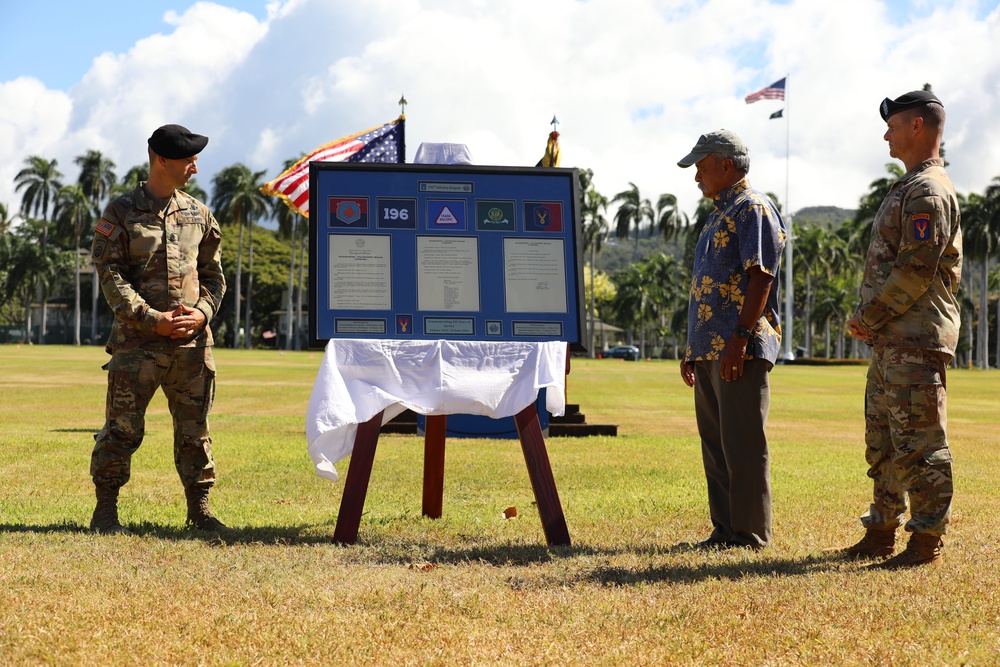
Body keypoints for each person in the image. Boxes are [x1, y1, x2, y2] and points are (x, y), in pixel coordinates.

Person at [835, 91, 961, 568]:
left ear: (917, 127)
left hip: (914, 338)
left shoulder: (928, 191)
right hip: (893, 339)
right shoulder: (909, 186)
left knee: (921, 445)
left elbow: (915, 269)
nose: (886, 132)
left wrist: (869, 317)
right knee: (885, 442)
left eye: (893, 124)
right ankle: (881, 531)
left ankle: (925, 541)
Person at [89, 124, 227, 534]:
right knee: (121, 430)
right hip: (137, 345)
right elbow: (111, 276)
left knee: (195, 431)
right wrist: (153, 319)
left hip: (191, 348)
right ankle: (106, 512)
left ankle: (199, 511)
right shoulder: (121, 212)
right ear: (160, 159)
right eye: (188, 160)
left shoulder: (199, 214)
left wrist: (202, 313)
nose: (195, 168)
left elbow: (214, 277)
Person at [677, 129, 786, 550]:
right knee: (717, 446)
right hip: (710, 349)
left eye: (701, 167)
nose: (696, 177)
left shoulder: (751, 208)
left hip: (738, 346)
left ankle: (750, 534)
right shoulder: (719, 212)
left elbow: (761, 276)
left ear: (725, 164)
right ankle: (724, 530)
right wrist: (693, 350)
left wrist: (739, 338)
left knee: (742, 444)